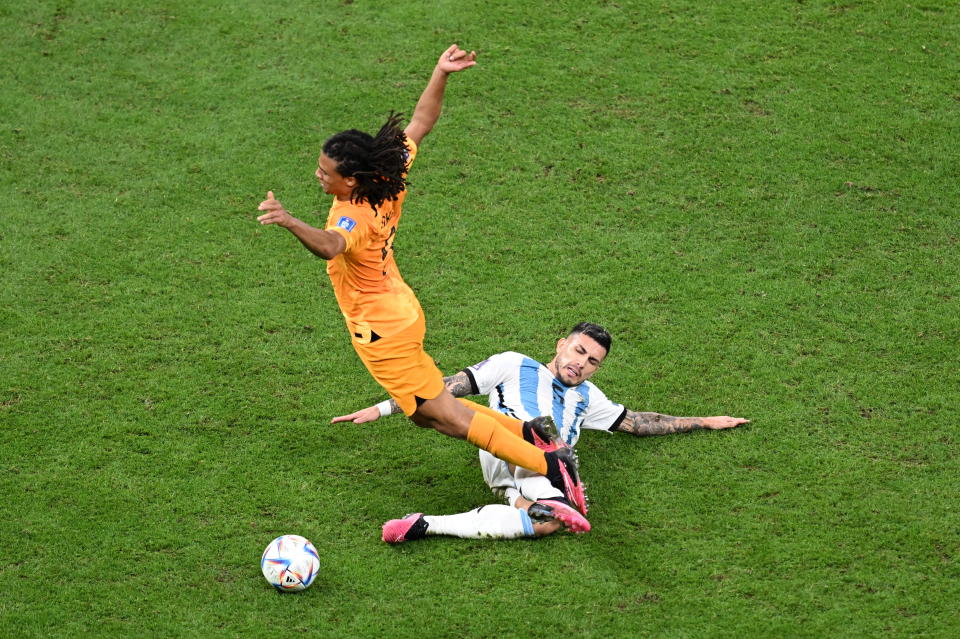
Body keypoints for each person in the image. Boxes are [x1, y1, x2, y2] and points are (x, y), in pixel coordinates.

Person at [255, 45, 587, 529]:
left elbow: (330, 246)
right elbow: (420, 123)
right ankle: (527, 432)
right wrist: (440, 72)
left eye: (326, 173)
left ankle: (553, 468)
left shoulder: (353, 214)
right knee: (425, 416)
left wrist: (288, 221)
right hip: (399, 307)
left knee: (450, 418)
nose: (318, 175)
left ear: (351, 180)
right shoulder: (389, 177)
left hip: (382, 333)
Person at [332, 322, 749, 543]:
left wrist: (707, 421)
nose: (582, 364)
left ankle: (427, 524)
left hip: (515, 472)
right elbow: (447, 388)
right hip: (504, 440)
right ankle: (552, 469)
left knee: (547, 523)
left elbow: (638, 422)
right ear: (560, 345)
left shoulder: (590, 397)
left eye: (593, 361)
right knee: (544, 437)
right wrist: (385, 406)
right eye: (578, 351)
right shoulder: (515, 363)